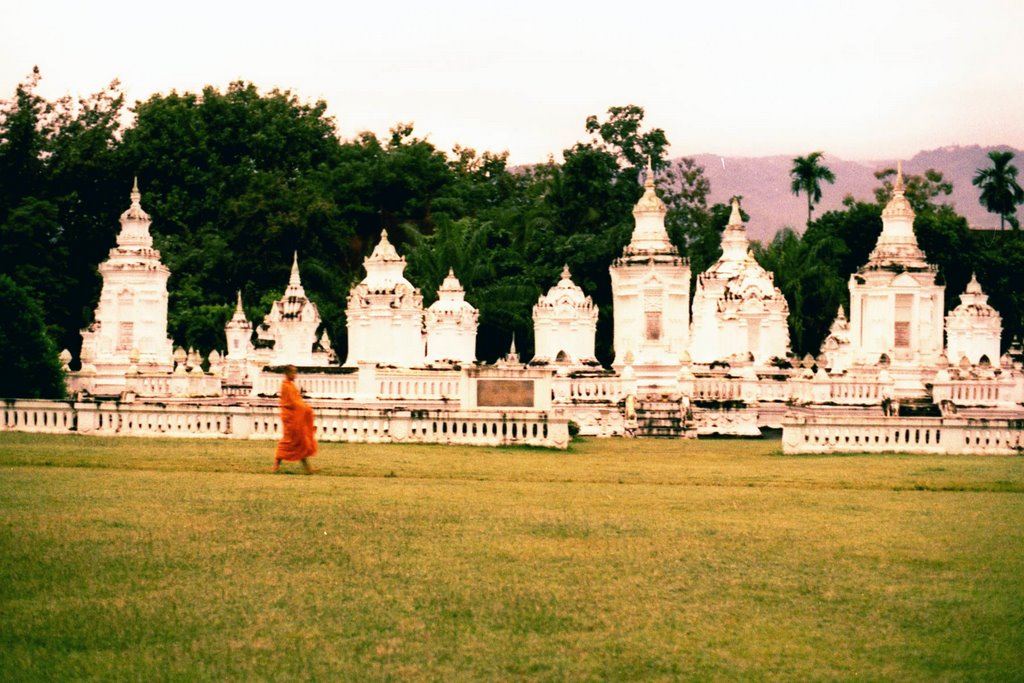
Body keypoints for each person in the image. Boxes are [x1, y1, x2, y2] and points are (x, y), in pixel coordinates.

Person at [271, 365, 319, 474]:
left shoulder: (291, 385)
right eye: (293, 373)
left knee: (300, 441)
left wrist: (305, 408)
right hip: (290, 416)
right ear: (287, 373)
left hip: (295, 415)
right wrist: (305, 408)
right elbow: (292, 402)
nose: (295, 375)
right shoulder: (286, 386)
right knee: (288, 441)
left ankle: (308, 468)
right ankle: (276, 465)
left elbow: (297, 401)